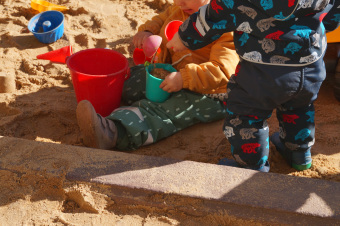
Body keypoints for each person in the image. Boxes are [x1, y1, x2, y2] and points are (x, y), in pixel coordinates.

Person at [167, 0, 340, 172]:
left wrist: (184, 37)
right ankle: (299, 154)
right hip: (310, 67)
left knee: (246, 115)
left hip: (261, 72)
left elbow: (215, 14)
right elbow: (334, 12)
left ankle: (252, 165)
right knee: (299, 107)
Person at [76, 0, 239, 151]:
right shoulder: (183, 8)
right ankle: (98, 95)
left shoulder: (225, 27)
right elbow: (162, 18)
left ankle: (111, 132)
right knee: (130, 80)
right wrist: (148, 31)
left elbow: (223, 70)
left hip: (207, 94)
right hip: (171, 73)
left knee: (162, 112)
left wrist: (184, 78)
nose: (179, 3)